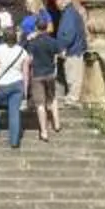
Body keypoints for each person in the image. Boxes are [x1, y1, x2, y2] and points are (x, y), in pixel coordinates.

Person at [23, 9, 64, 141]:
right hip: (50, 73)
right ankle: (57, 124)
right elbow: (62, 53)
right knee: (52, 99)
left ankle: (44, 132)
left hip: (37, 75)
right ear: (47, 27)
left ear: (36, 27)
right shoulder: (53, 41)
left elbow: (29, 59)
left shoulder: (33, 43)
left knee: (40, 104)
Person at [0, 33, 31, 147]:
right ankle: (14, 141)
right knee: (14, 112)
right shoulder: (23, 51)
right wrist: (25, 91)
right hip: (17, 83)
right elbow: (26, 73)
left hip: (2, 84)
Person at [50, 0, 90, 105]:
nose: (56, 3)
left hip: (73, 50)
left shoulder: (69, 14)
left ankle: (73, 99)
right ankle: (72, 97)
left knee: (73, 76)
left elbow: (68, 34)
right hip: (73, 50)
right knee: (72, 75)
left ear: (63, 0)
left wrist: (62, 47)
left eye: (56, 0)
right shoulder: (69, 12)